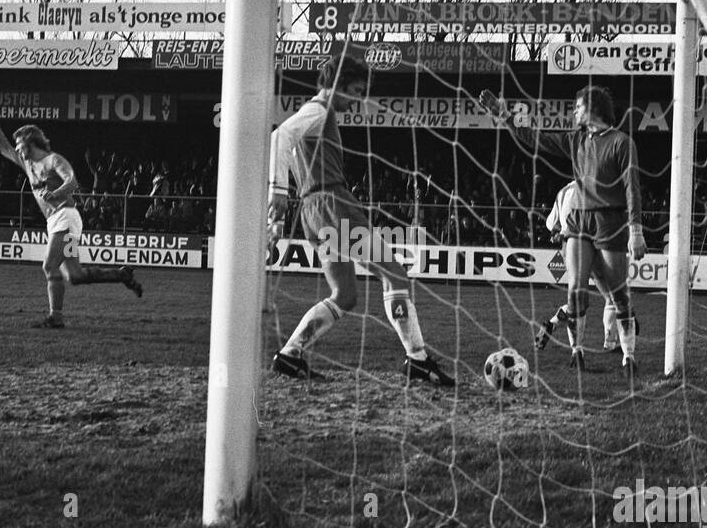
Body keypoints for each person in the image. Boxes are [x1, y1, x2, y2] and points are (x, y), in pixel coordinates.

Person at [267, 54, 454, 386]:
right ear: (336, 83)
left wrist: (282, 206)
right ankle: (418, 359)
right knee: (395, 273)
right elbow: (279, 137)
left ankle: (289, 355)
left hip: (313, 210)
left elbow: (287, 143)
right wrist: (278, 191)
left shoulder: (312, 113)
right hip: (333, 205)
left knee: (345, 295)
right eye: (355, 89)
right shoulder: (318, 111)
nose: (358, 99)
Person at [481, 84, 645, 380]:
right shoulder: (575, 140)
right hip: (578, 220)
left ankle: (629, 356)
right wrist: (505, 116)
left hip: (610, 221)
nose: (574, 111)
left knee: (618, 294)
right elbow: (535, 139)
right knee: (575, 288)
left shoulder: (622, 142)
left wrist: (636, 230)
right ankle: (577, 351)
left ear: (592, 108)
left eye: (578, 107)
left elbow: (632, 187)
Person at [0, 106, 142, 328]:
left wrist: (55, 193)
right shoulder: (28, 164)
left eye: (20, 145)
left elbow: (72, 182)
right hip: (57, 221)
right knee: (74, 275)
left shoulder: (53, 160)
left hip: (65, 218)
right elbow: (4, 148)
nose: (18, 150)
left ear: (31, 142)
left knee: (49, 266)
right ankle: (121, 274)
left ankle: (55, 318)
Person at [534, 180, 623, 353]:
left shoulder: (563, 190)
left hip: (570, 248)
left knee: (578, 298)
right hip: (593, 246)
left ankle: (553, 324)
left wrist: (560, 233)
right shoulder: (598, 186)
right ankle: (610, 343)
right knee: (611, 296)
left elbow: (551, 224)